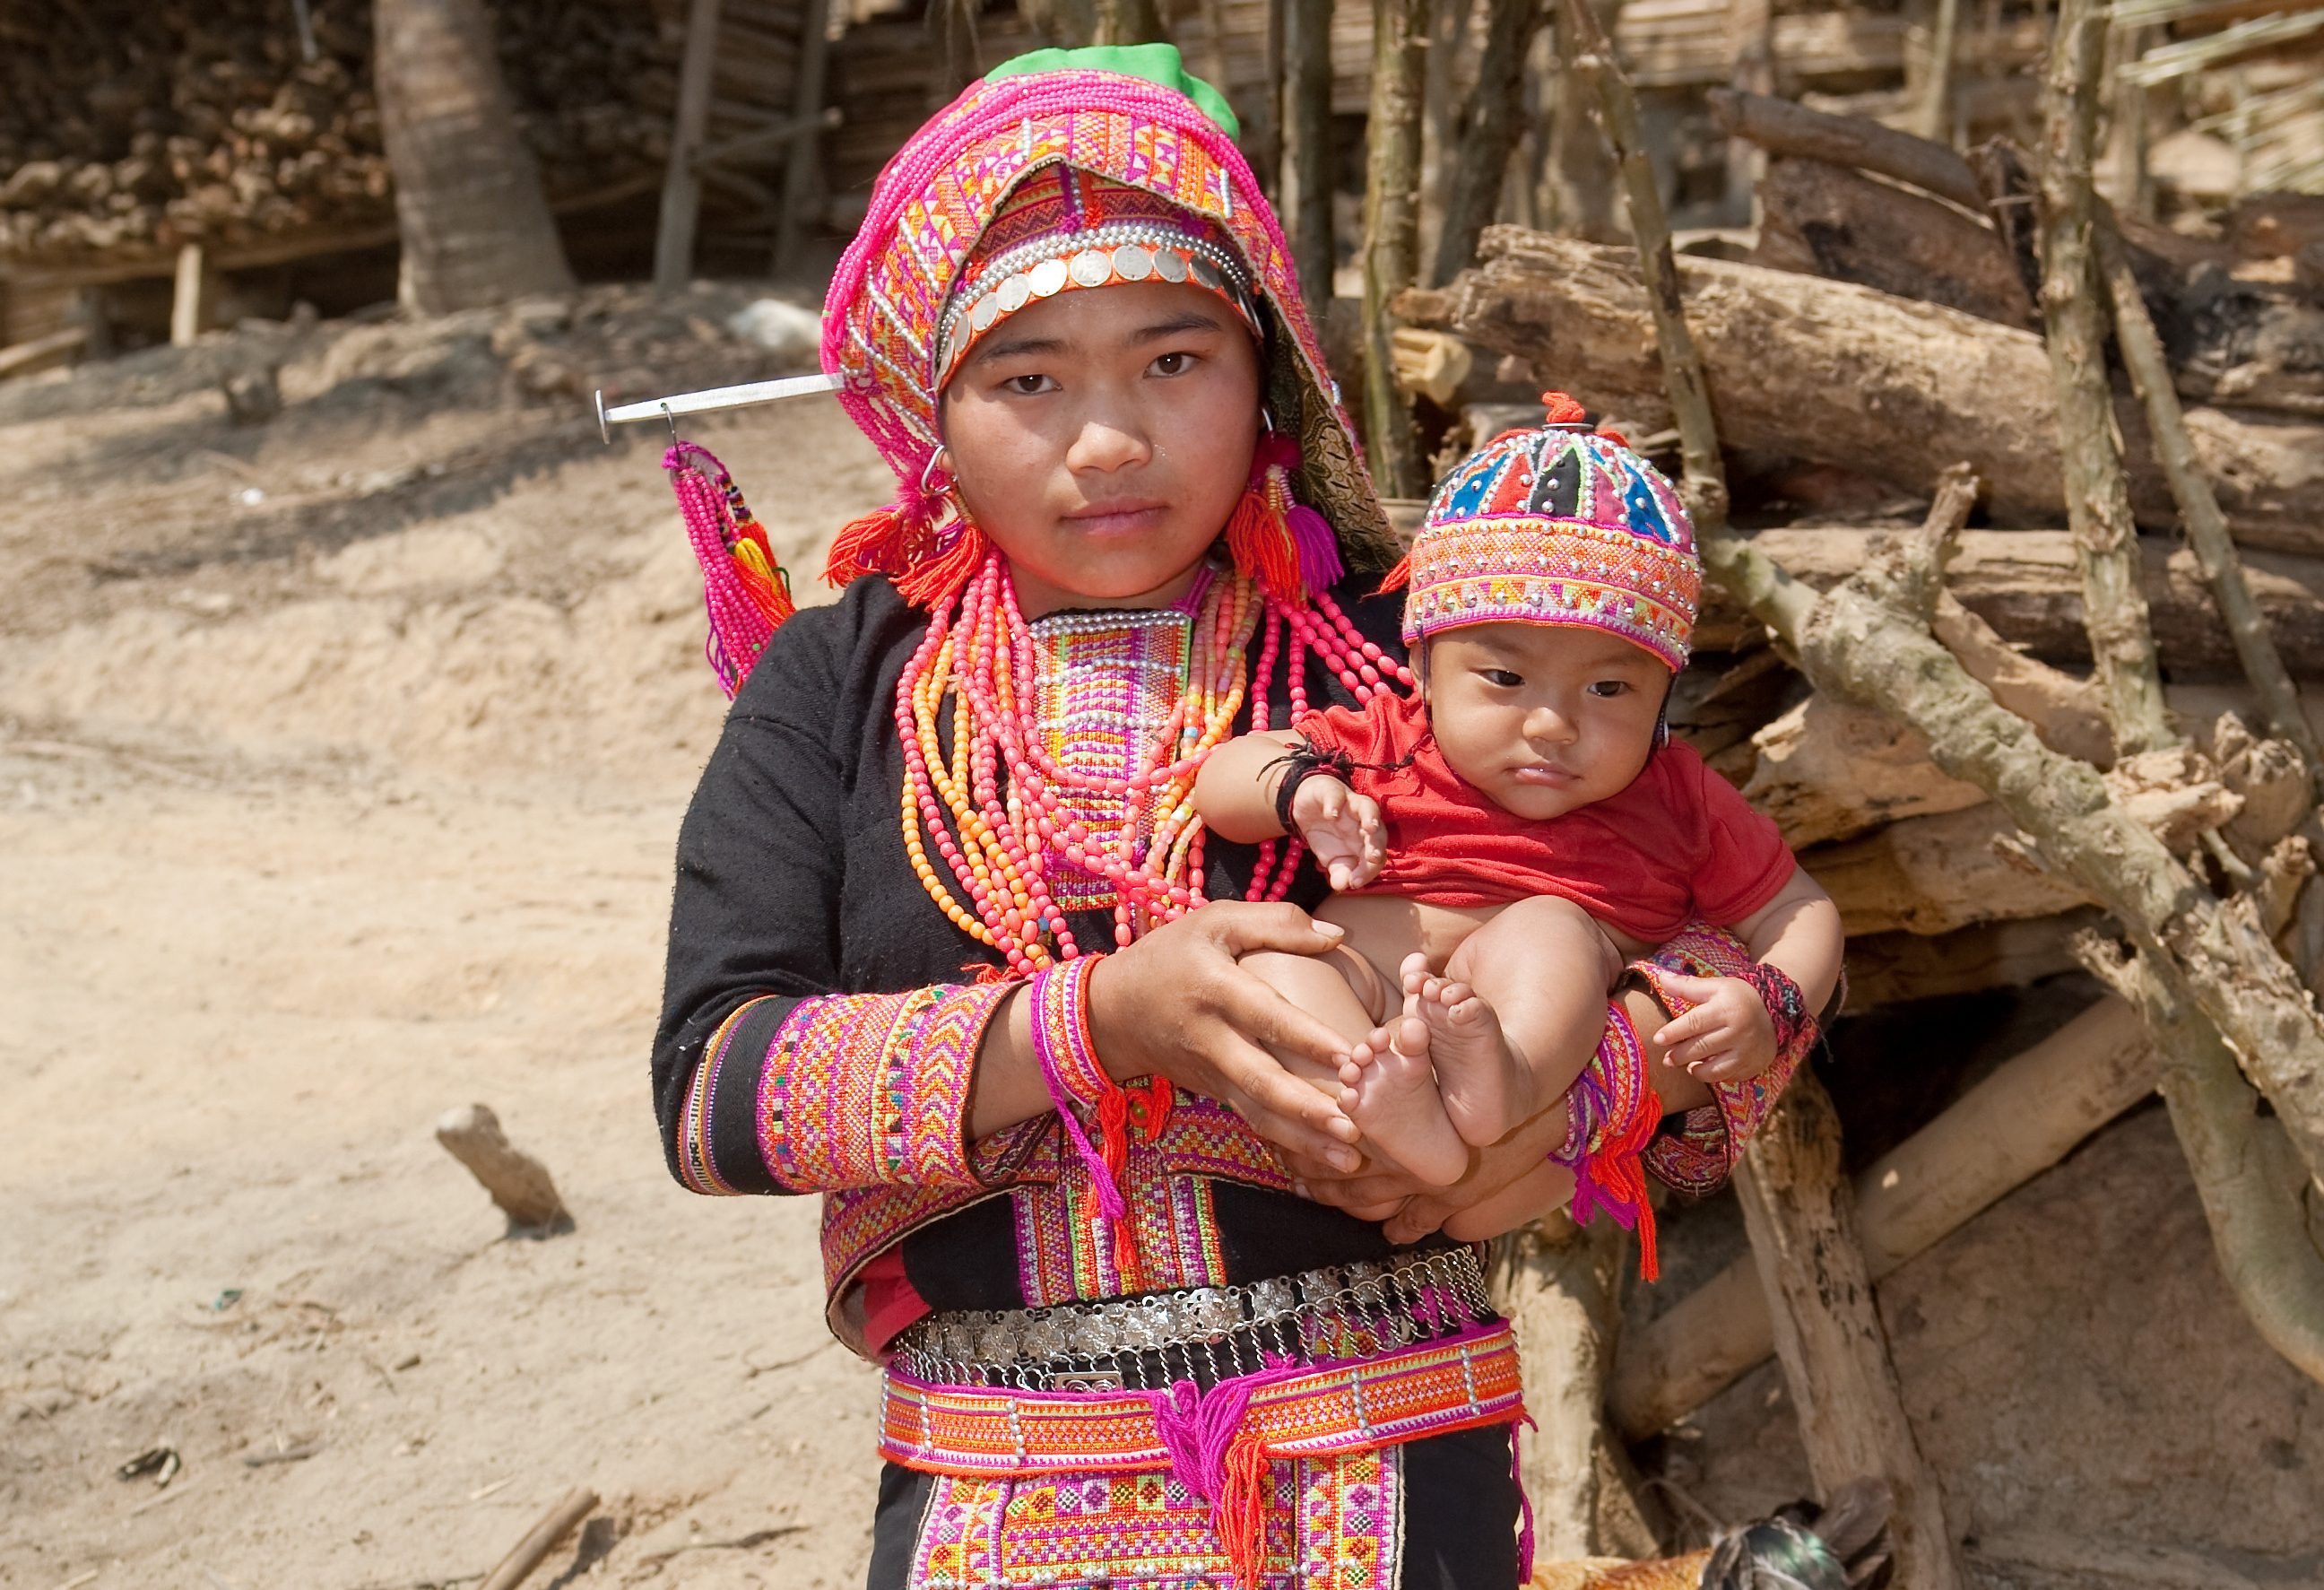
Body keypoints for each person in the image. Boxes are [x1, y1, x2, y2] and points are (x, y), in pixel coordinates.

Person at [650, 45, 1819, 1589]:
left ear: (1265, 367)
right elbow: (715, 1092)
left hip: (1391, 1444)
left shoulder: (1413, 653)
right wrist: (1102, 1021)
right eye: (1027, 378)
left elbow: (1711, 942)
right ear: (935, 407)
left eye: (1174, 359)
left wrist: (1575, 1095)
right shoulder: (843, 682)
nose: (1108, 441)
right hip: (991, 1479)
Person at [1192, 404, 1844, 1244]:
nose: (1552, 725)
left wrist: (1772, 1002)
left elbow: (1799, 908)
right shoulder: (1393, 737)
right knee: (1278, 960)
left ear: (1664, 697)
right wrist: (1298, 790)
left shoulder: (1676, 794)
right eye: (1505, 678)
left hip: (1537, 1072)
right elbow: (1221, 781)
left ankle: (1496, 1085)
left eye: (1608, 690)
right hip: (1373, 1004)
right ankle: (1379, 1112)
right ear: (1424, 666)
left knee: (1549, 928)